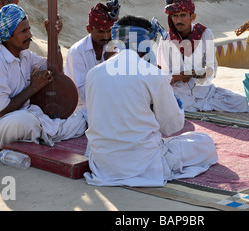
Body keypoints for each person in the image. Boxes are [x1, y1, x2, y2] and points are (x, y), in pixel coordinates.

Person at [84, 15, 218, 187]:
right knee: (204, 141)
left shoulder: (93, 73)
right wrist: (177, 106)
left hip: (102, 164)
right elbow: (172, 126)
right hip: (143, 164)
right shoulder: (152, 74)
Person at [0, 4, 86, 154]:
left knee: (80, 118)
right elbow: (0, 112)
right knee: (25, 121)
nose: (30, 35)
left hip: (29, 114)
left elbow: (54, 68)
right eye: (24, 31)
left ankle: (47, 133)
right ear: (8, 35)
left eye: (29, 29)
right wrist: (33, 88)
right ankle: (49, 133)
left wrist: (53, 37)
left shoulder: (25, 55)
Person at [157, 0, 249, 113]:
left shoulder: (205, 33)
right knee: (171, 105)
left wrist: (199, 73)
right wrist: (176, 77)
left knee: (241, 102)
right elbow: (159, 73)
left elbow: (213, 67)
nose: (179, 20)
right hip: (179, 92)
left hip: (204, 91)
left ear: (193, 17)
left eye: (183, 15)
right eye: (175, 16)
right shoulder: (166, 39)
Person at [64, 0, 120, 123]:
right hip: (81, 112)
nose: (106, 37)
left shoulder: (114, 48)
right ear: (89, 29)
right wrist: (106, 65)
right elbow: (82, 96)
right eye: (100, 32)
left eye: (109, 31)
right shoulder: (77, 52)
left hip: (107, 108)